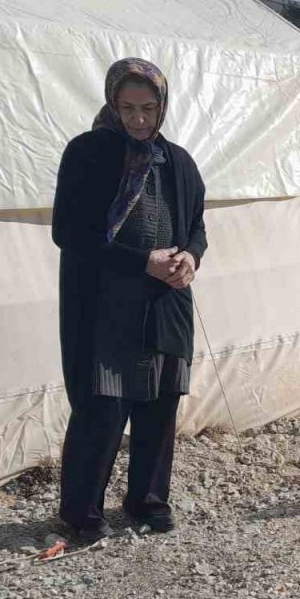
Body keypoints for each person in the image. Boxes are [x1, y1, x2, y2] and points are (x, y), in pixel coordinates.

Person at [52, 58, 207, 542]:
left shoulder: (178, 161)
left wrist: (191, 258)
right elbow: (68, 231)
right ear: (112, 104)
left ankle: (147, 499)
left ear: (163, 106)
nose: (138, 119)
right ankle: (83, 512)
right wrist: (141, 261)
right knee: (103, 406)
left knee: (160, 406)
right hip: (107, 304)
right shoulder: (88, 153)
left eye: (148, 108)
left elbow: (197, 225)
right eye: (127, 108)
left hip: (167, 302)